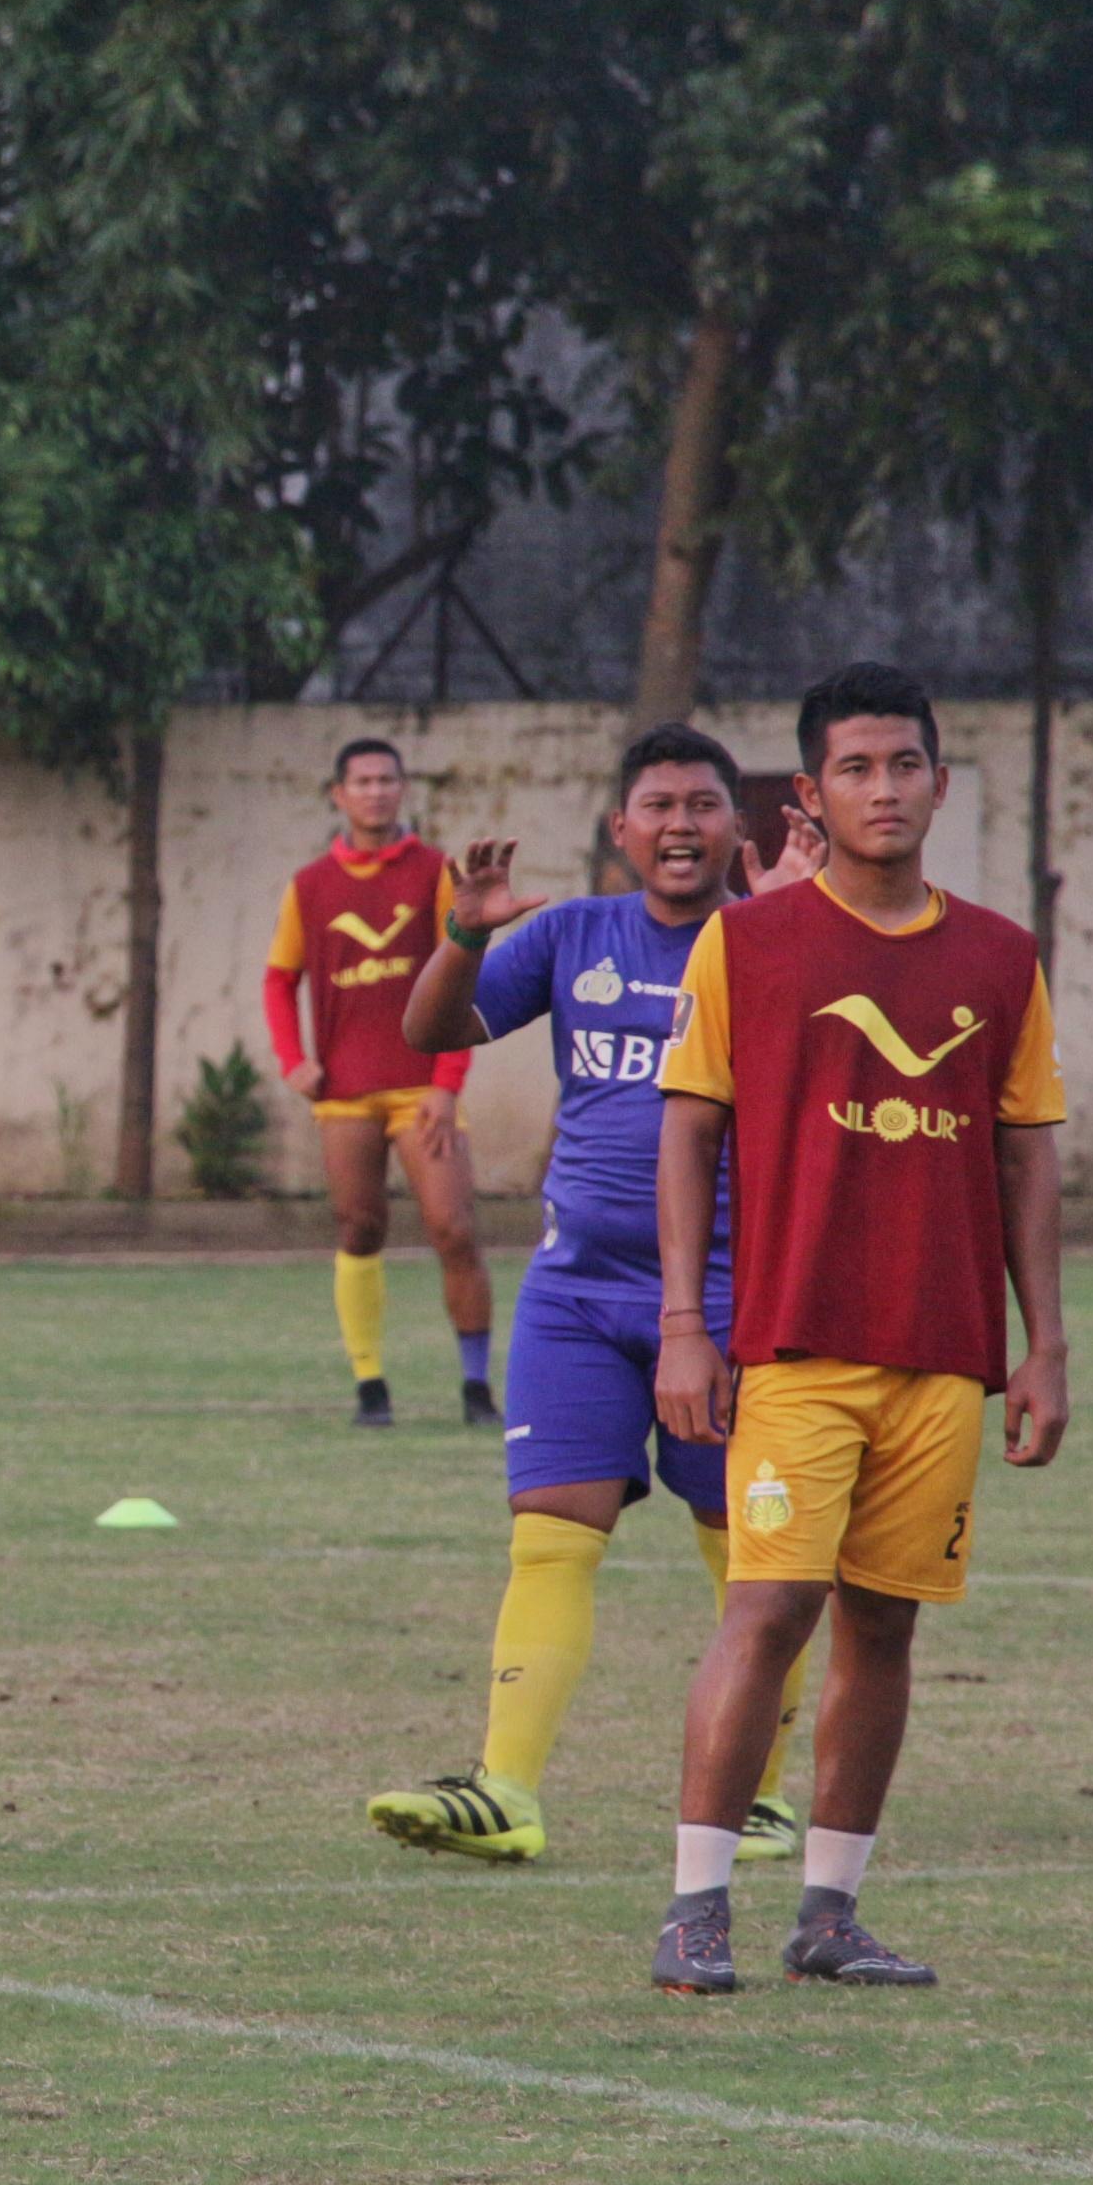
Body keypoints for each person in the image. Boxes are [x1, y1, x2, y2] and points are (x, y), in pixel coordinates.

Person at [647, 662, 1067, 1995]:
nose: (884, 789)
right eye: (856, 768)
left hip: (943, 1354)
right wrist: (683, 1323)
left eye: (905, 765)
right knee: (767, 1607)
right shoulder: (751, 945)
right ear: (812, 795)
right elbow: (689, 1131)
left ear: (940, 782)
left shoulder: (1002, 956)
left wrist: (1041, 1343)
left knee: (886, 1626)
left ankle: (830, 1913)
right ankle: (695, 1910)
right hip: (795, 1347)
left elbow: (1026, 1157)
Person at [362, 725, 820, 1865]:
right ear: (620, 830)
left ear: (737, 826)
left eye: (704, 805)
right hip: (577, 1290)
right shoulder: (572, 935)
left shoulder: (773, 941)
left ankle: (759, 1792)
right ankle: (506, 1788)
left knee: (750, 1551)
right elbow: (429, 1029)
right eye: (657, 805)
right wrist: (465, 934)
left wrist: (797, 931)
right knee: (551, 1538)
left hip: (730, 1298)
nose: (681, 825)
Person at [264, 737, 497, 1427]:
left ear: (402, 790)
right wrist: (292, 1060)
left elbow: (466, 972)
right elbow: (280, 979)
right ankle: (371, 1386)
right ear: (338, 795)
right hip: (344, 1093)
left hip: (421, 1088)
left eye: (386, 780)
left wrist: (448, 1080)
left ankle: (477, 1388)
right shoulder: (309, 886)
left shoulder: (435, 873)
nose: (375, 791)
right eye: (361, 781)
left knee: (453, 1227)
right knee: (359, 1227)